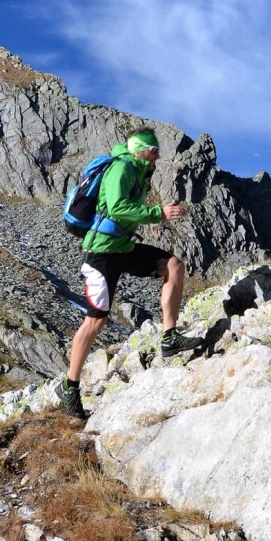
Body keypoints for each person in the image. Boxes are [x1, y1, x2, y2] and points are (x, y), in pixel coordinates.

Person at [57, 129, 200, 419]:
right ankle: (69, 386)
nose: (158, 154)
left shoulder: (138, 172)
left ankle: (170, 337)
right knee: (96, 321)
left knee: (173, 266)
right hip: (101, 253)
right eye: (154, 149)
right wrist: (157, 213)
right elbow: (118, 208)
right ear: (140, 150)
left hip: (122, 248)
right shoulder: (121, 168)